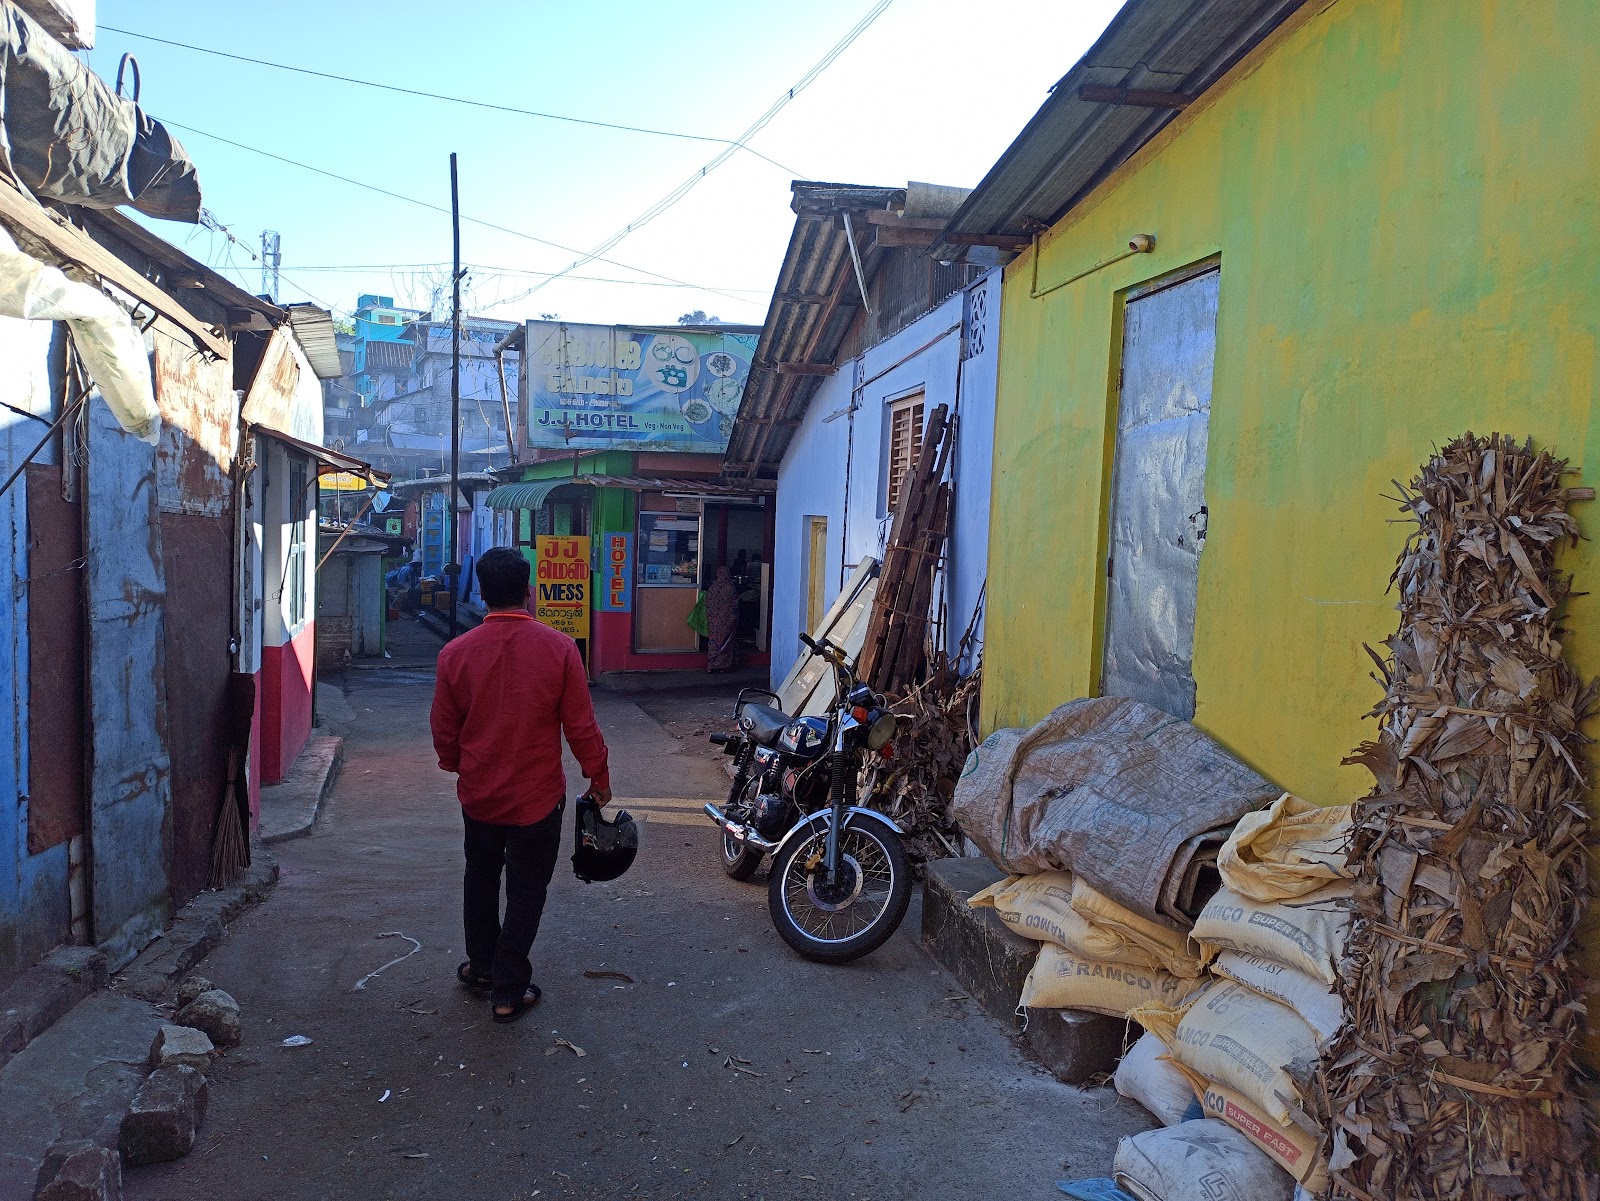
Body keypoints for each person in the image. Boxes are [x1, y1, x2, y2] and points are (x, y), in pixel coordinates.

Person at [429, 547, 612, 1024]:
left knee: (481, 879)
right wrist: (599, 775)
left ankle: (484, 968)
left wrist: (456, 763)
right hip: (537, 799)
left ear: (483, 594)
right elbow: (581, 726)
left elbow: (444, 729)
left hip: (480, 795)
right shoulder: (560, 649)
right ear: (529, 592)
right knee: (527, 891)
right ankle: (508, 989)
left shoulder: (454, 655)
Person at [706, 564, 740, 672]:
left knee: (714, 642)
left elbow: (707, 603)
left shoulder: (713, 588)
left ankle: (712, 665)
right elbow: (734, 604)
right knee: (726, 641)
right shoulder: (730, 587)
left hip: (714, 622)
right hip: (727, 621)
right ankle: (723, 666)